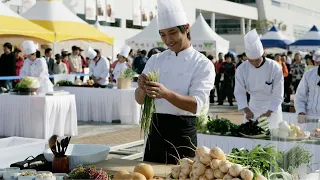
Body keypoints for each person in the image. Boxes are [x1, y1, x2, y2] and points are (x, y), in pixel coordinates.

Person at [135, 0, 215, 165]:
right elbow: (139, 99)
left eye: (172, 33)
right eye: (163, 34)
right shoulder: (156, 59)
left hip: (183, 134)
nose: (168, 40)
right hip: (155, 133)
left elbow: (196, 105)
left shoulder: (202, 63)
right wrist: (142, 88)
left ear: (186, 28)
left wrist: (166, 94)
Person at [234, 29, 284, 129]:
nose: (254, 63)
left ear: (263, 54)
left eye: (257, 60)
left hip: (272, 107)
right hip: (252, 107)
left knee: (272, 137)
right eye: (251, 61)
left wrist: (269, 112)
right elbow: (239, 91)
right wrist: (246, 110)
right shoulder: (242, 69)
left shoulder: (274, 67)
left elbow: (278, 93)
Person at [295, 51, 320, 123]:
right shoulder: (309, 74)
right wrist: (301, 111)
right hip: (310, 117)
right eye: (317, 62)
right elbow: (300, 95)